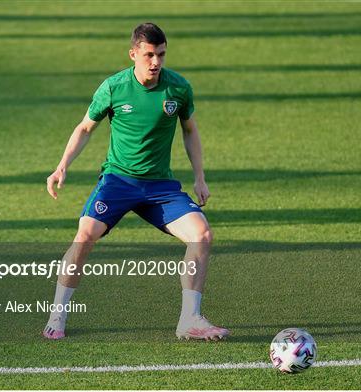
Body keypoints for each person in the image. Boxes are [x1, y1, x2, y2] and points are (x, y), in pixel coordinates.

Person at [43, 22, 229, 341]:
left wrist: (200, 177)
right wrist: (61, 166)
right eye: (149, 55)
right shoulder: (114, 87)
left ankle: (190, 319)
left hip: (160, 187)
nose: (156, 62)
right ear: (133, 54)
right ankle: (57, 315)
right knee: (85, 236)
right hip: (119, 182)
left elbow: (190, 130)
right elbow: (85, 128)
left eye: (161, 55)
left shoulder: (178, 88)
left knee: (202, 234)